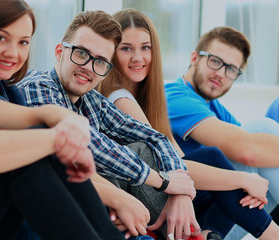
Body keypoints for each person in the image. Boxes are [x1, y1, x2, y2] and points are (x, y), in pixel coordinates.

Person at [0, 2, 154, 240]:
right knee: (31, 149)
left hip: (16, 216)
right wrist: (117, 198)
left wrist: (64, 128)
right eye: (0, 38)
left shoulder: (10, 94)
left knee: (42, 144)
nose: (13, 52)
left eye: (23, 42)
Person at [17, 9, 203, 240]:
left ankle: (188, 235)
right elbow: (93, 145)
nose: (88, 67)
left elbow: (156, 137)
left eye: (100, 62)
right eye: (82, 54)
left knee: (143, 148)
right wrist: (164, 182)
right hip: (56, 212)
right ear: (59, 52)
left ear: (106, 72)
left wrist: (180, 193)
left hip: (100, 207)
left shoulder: (93, 100)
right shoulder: (38, 87)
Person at [97, 8, 279, 240]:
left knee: (249, 161)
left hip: (175, 196)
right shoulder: (122, 97)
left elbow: (176, 161)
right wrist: (244, 179)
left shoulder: (151, 100)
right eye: (126, 48)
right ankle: (272, 233)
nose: (138, 57)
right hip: (147, 197)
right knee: (236, 149)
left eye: (145, 48)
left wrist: (183, 191)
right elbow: (246, 150)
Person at [165, 26, 279, 238]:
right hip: (187, 216)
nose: (220, 74)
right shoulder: (173, 96)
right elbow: (246, 151)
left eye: (231, 69)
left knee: (263, 139)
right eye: (215, 61)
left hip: (220, 217)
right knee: (260, 129)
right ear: (194, 58)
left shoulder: (214, 107)